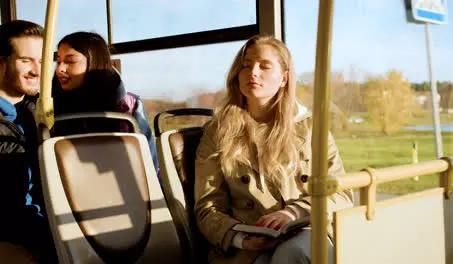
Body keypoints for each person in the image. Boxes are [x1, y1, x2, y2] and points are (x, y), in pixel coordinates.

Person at [194, 35, 354, 264]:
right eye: (246, 66)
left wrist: (294, 212)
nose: (253, 72)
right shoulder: (217, 132)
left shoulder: (312, 129)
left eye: (264, 66)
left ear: (283, 79)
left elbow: (341, 192)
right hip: (249, 240)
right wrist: (241, 238)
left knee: (290, 254)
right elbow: (207, 207)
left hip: (305, 229)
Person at [52, 31, 159, 174]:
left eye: (70, 61)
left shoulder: (129, 106)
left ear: (93, 63)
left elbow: (148, 163)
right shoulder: (49, 105)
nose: (59, 69)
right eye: (58, 61)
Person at [0, 20, 57, 263]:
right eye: (26, 61)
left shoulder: (40, 112)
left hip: (51, 223)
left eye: (42, 62)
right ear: (1, 64)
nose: (37, 70)